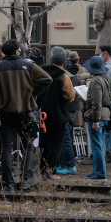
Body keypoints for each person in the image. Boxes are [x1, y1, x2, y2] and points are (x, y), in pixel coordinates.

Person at [0, 39, 52, 194]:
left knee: (6, 146)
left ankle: (8, 184)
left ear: (3, 51)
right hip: (25, 112)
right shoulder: (29, 66)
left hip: (5, 112)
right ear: (18, 50)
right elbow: (47, 80)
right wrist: (32, 93)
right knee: (28, 145)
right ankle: (25, 180)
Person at [36, 46, 75, 180]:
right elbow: (69, 96)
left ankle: (42, 171)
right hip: (59, 116)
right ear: (63, 63)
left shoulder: (41, 73)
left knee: (44, 144)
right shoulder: (63, 76)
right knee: (55, 145)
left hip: (42, 115)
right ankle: (50, 172)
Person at [83, 55, 111, 181]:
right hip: (106, 115)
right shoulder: (108, 79)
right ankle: (97, 171)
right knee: (100, 145)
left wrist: (95, 120)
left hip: (97, 116)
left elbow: (96, 102)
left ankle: (100, 172)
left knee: (96, 147)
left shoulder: (96, 81)